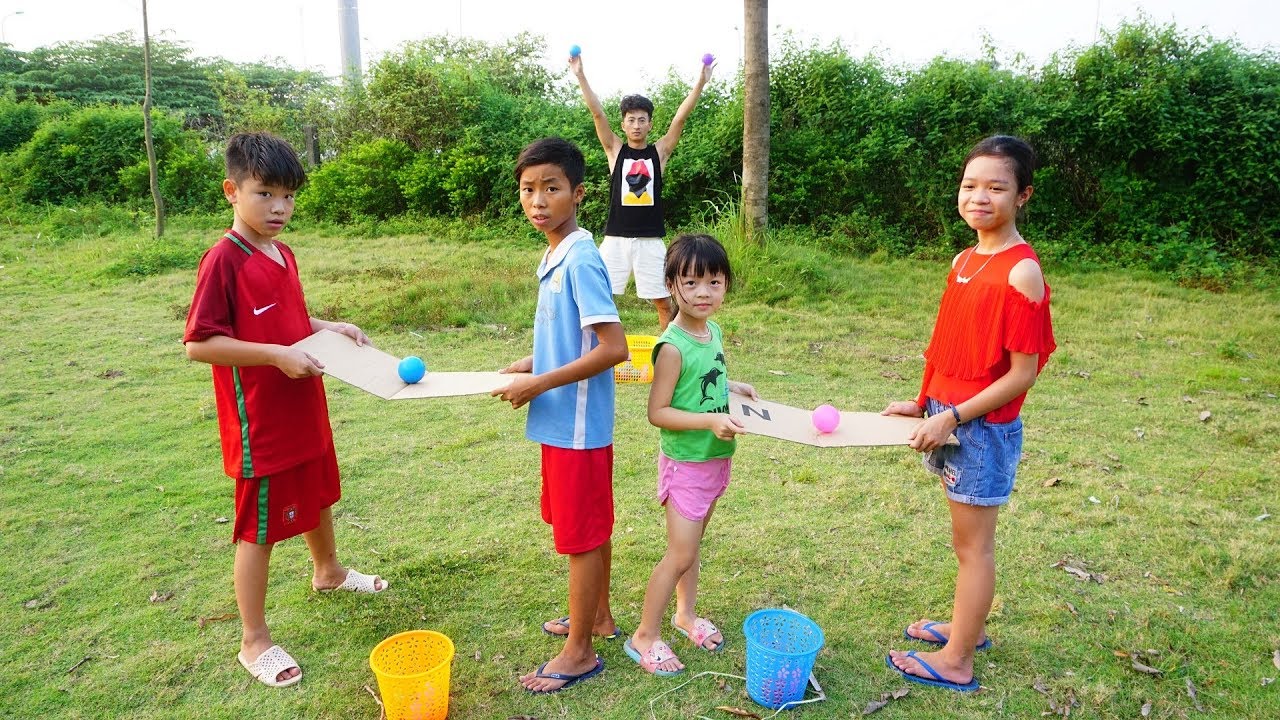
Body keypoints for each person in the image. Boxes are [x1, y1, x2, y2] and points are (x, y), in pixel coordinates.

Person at [183, 132, 387, 689]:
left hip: (304, 405)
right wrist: (275, 356)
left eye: (289, 197)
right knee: (260, 528)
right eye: (265, 194)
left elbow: (291, 319)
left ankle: (329, 571)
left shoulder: (282, 252)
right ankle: (254, 640)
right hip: (262, 424)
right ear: (232, 191)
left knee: (319, 490)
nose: (279, 208)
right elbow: (200, 343)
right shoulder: (223, 260)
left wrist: (328, 327)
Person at [882, 135, 1056, 692]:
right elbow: (947, 341)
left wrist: (952, 417)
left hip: (979, 429)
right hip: (946, 414)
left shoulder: (1020, 271)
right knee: (964, 541)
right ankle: (965, 627)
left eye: (995, 187)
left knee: (974, 547)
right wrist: (921, 400)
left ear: (1023, 195)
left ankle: (958, 659)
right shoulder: (964, 259)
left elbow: (1022, 374)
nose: (979, 197)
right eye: (969, 185)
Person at [492, 137, 629, 693]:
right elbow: (571, 336)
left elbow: (612, 347)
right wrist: (531, 362)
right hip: (558, 419)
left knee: (580, 536)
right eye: (528, 189)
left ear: (577, 192)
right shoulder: (552, 254)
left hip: (577, 426)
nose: (538, 200)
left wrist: (540, 381)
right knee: (587, 530)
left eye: (551, 187)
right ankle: (595, 617)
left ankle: (580, 652)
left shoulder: (582, 257)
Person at [623, 234, 759, 676]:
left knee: (693, 545)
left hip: (716, 456)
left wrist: (732, 388)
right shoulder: (672, 346)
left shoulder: (712, 330)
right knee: (679, 553)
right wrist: (707, 422)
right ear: (671, 284)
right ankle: (644, 635)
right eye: (692, 282)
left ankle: (685, 616)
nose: (704, 293)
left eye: (715, 282)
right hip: (687, 462)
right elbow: (658, 412)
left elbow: (705, 381)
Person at [570, 51, 714, 331]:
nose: (636, 125)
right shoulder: (615, 149)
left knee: (663, 300)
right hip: (615, 239)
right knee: (601, 297)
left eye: (642, 119)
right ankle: (595, 354)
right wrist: (580, 75)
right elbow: (597, 112)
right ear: (623, 124)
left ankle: (668, 350)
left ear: (649, 123)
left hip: (650, 240)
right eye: (631, 119)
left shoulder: (658, 152)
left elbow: (680, 120)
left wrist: (701, 82)